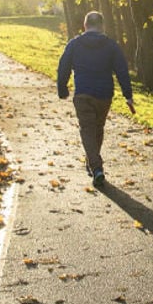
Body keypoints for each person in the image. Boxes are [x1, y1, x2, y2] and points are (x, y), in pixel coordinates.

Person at [57, 11, 135, 187]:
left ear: (85, 26)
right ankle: (94, 164)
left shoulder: (75, 44)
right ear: (102, 26)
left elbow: (63, 66)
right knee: (97, 128)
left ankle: (96, 166)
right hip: (104, 95)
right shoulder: (111, 46)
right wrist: (128, 95)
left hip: (83, 93)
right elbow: (122, 70)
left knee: (88, 129)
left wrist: (62, 88)